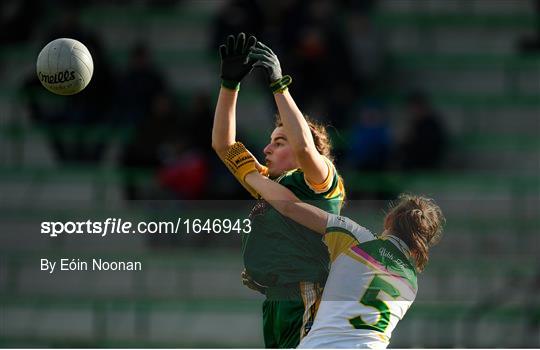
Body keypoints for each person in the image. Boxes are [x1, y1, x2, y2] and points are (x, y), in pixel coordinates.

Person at [223, 147, 445, 348]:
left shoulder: (358, 238)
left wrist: (248, 173)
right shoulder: (411, 283)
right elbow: (352, 290)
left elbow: (290, 207)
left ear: (389, 219)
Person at [212, 33, 345, 348]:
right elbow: (223, 145)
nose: (267, 148)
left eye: (278, 141)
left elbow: (303, 147)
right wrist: (229, 86)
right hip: (277, 301)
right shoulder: (269, 183)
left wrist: (278, 85)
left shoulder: (322, 179)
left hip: (307, 295)